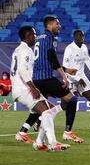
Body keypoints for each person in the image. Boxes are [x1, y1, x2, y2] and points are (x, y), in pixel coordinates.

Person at [15, 15, 83, 144]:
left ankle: (23, 131)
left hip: (36, 80)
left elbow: (45, 59)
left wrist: (67, 70)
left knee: (42, 107)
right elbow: (52, 59)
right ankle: (68, 132)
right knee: (71, 99)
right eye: (57, 24)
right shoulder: (50, 37)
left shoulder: (38, 38)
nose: (59, 26)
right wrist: (64, 76)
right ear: (49, 25)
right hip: (46, 78)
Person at [11, 26, 69, 151]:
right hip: (24, 88)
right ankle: (53, 143)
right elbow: (22, 70)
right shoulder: (26, 50)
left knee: (51, 110)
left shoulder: (17, 50)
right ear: (28, 36)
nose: (35, 37)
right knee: (47, 112)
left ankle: (39, 142)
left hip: (20, 88)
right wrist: (33, 87)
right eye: (34, 34)